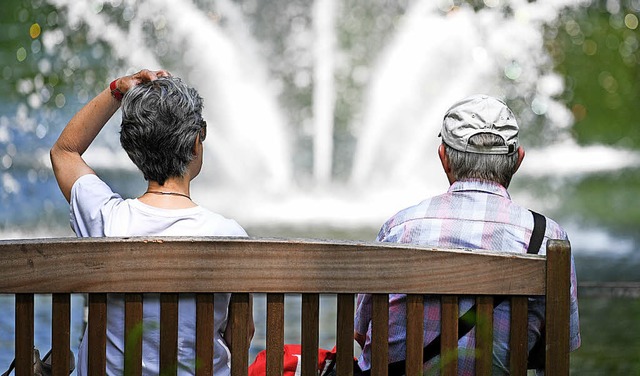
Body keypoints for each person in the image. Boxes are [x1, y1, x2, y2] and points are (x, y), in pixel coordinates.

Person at [353, 94, 581, 375]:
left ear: (444, 158)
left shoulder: (400, 228)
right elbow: (557, 347)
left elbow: (362, 333)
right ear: (517, 161)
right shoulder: (546, 238)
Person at [50, 69, 254, 375]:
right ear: (197, 143)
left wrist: (117, 91)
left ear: (133, 151)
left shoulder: (107, 221)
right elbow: (242, 335)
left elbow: (65, 151)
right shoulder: (228, 235)